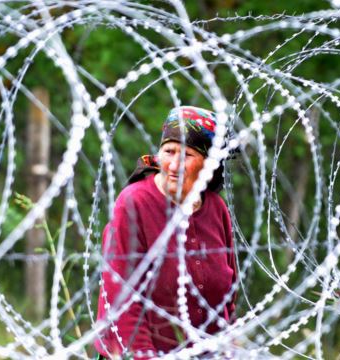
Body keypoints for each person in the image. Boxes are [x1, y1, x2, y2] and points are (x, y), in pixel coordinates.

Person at [94, 106, 237, 359]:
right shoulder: (135, 203)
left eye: (188, 155)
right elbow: (121, 298)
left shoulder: (216, 209)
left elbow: (228, 296)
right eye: (169, 151)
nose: (174, 165)